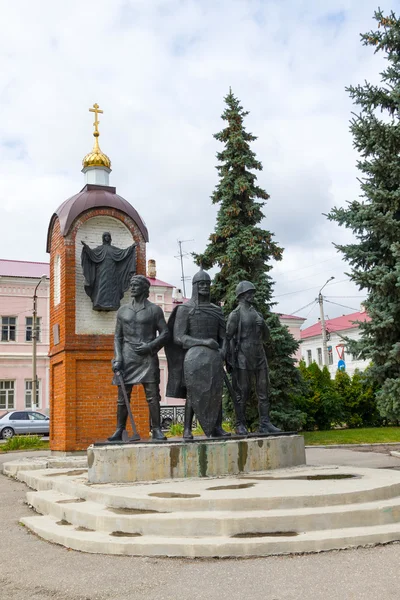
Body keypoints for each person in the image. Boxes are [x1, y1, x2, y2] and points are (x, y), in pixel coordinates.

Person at [166, 268, 230, 440]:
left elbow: (223, 337)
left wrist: (223, 352)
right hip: (193, 358)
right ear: (194, 286)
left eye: (208, 284)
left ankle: (217, 427)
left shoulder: (217, 310)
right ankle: (187, 429)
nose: (205, 287)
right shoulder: (185, 309)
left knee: (216, 391)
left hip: (214, 359)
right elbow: (179, 337)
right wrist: (203, 342)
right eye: (201, 284)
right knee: (192, 393)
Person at [108, 275, 168, 441]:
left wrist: (150, 346)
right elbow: (117, 337)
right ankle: (119, 430)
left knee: (152, 395)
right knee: (123, 397)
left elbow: (165, 333)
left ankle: (156, 429)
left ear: (144, 288)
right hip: (127, 358)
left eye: (136, 285)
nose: (132, 288)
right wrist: (118, 358)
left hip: (147, 358)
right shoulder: (123, 310)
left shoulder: (154, 310)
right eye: (131, 285)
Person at [226, 281, 281, 435]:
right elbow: (228, 337)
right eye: (249, 293)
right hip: (243, 355)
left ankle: (265, 423)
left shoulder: (257, 313)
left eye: (252, 292)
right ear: (242, 295)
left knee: (263, 390)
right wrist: (228, 359)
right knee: (242, 391)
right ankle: (240, 424)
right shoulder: (235, 315)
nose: (252, 295)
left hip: (259, 353)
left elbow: (267, 336)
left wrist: (263, 325)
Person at [81, 232, 136, 311]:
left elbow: (123, 253)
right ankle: (99, 303)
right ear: (103, 238)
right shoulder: (100, 249)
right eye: (105, 236)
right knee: (101, 286)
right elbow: (92, 253)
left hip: (112, 272)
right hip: (101, 271)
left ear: (110, 238)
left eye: (108, 236)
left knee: (112, 287)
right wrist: (86, 247)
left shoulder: (113, 249)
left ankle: (113, 303)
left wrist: (131, 247)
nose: (107, 237)